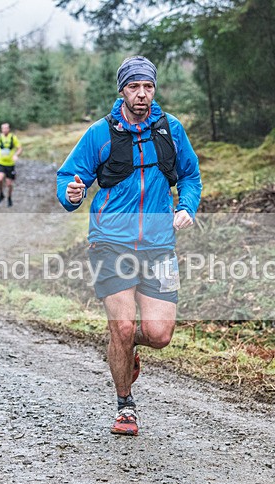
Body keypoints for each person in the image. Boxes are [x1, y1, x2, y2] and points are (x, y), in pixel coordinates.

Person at [56, 56, 202, 436]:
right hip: (110, 243)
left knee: (159, 335)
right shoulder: (99, 134)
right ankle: (125, 406)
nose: (142, 94)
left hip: (158, 246)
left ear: (154, 89)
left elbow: (190, 176)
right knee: (122, 325)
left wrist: (186, 206)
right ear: (122, 90)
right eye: (134, 87)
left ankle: (126, 344)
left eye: (148, 87)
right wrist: (71, 194)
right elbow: (69, 179)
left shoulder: (171, 130)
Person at [0, 122, 22, 207]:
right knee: (0, 179)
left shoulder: (13, 138)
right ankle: (1, 194)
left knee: (9, 184)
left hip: (10, 164)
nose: (5, 130)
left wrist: (16, 155)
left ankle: (9, 197)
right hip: (0, 163)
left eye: (6, 128)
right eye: (3, 128)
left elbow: (20, 148)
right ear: (1, 129)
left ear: (9, 129)